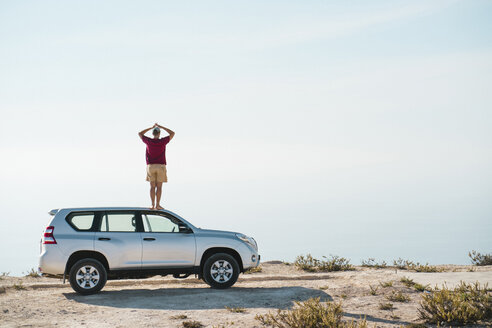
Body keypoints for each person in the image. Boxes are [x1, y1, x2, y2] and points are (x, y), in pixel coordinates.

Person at [138, 123, 175, 209]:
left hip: (151, 166)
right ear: (159, 134)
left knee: (152, 187)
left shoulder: (148, 141)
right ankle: (158, 204)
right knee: (159, 187)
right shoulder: (163, 141)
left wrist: (150, 127)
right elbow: (172, 133)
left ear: (152, 133)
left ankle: (152, 204)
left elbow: (140, 133)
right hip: (161, 166)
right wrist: (161, 126)